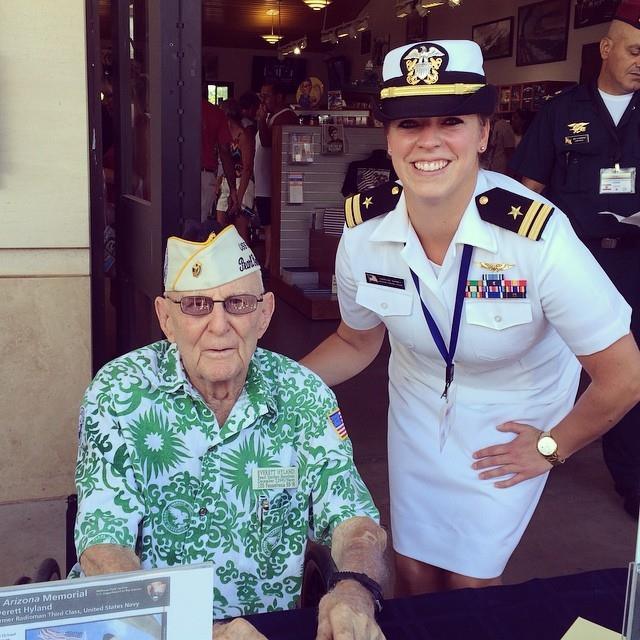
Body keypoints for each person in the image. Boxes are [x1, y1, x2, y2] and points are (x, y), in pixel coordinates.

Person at [301, 39, 640, 596]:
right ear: (387, 137)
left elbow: (623, 376)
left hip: (514, 414)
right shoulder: (364, 234)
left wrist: (553, 446)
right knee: (410, 572)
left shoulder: (535, 234)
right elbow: (356, 341)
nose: (429, 141)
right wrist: (273, 382)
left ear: (483, 133)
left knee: (469, 580)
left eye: (451, 120)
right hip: (416, 407)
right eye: (409, 124)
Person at [73, 225, 387, 640]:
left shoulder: (304, 395)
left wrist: (354, 590)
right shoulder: (118, 395)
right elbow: (103, 548)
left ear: (264, 313)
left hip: (267, 629)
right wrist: (193, 631)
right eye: (197, 305)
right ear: (166, 319)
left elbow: (353, 519)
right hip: (146, 627)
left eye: (238, 303)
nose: (219, 326)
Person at [509, 0, 640, 518]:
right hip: (569, 264)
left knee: (626, 368)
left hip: (632, 261)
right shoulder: (562, 113)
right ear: (605, 49)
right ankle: (527, 447)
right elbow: (526, 191)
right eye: (633, 50)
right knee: (539, 358)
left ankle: (631, 478)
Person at [254, 82, 299, 271]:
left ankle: (270, 265)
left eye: (267, 96)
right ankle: (268, 262)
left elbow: (266, 142)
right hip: (264, 183)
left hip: (272, 184)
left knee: (270, 225)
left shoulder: (285, 117)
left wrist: (261, 119)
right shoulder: (272, 116)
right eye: (261, 96)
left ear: (280, 96)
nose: (263, 101)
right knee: (266, 225)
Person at [216, 100, 256, 244]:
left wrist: (238, 198)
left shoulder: (244, 136)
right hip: (228, 181)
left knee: (240, 230)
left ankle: (246, 263)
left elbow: (247, 168)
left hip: (242, 184)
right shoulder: (224, 136)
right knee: (220, 226)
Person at [202, 94, 238, 222]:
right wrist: (233, 188)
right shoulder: (216, 113)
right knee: (198, 224)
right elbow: (224, 152)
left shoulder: (177, 109)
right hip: (205, 174)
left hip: (179, 173)